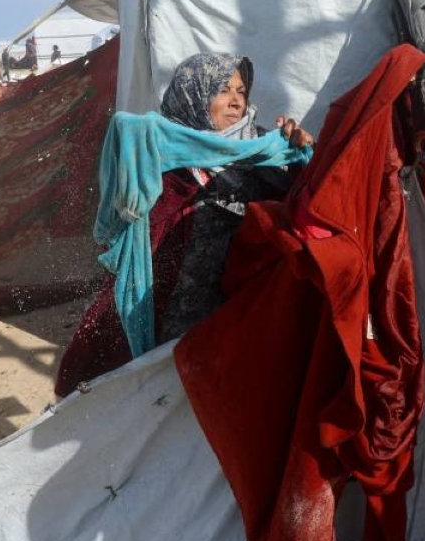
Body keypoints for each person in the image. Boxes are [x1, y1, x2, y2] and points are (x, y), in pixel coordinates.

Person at [54, 53, 312, 397]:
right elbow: (133, 221)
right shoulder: (157, 153)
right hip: (174, 316)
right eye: (222, 90)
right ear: (194, 95)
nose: (236, 100)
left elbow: (304, 207)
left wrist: (299, 155)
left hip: (242, 315)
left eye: (241, 90)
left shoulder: (261, 147)